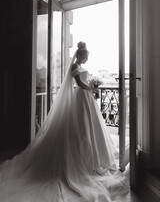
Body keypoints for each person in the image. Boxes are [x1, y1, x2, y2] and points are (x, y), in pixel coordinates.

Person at [0, 42, 129, 202]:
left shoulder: (80, 66)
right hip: (81, 96)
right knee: (82, 126)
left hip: (86, 98)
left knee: (89, 126)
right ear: (80, 55)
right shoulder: (75, 66)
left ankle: (92, 158)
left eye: (87, 56)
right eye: (86, 56)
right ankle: (83, 158)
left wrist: (91, 88)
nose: (87, 58)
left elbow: (84, 82)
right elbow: (80, 83)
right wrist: (93, 89)